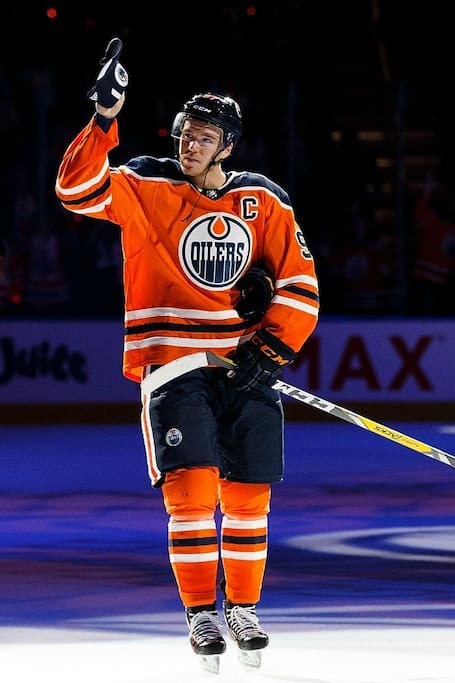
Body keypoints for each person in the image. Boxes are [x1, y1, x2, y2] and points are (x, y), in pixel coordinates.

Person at [55, 38, 320, 673]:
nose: (191, 144)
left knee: (249, 497)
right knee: (194, 493)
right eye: (186, 133)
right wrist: (103, 119)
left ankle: (244, 608)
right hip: (174, 366)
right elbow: (75, 189)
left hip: (242, 366)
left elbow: (300, 282)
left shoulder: (264, 200)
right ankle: (202, 613)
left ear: (227, 146)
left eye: (205, 137)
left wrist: (273, 347)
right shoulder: (144, 183)